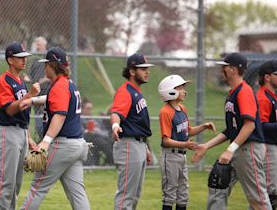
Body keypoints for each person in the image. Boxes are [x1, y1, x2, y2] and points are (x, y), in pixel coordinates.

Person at [192, 53, 271, 209]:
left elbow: (250, 125)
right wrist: (206, 146)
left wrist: (230, 150)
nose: (222, 70)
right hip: (240, 148)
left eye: (225, 67)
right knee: (219, 185)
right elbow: (232, 130)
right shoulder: (233, 92)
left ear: (234, 70)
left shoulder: (244, 91)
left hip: (250, 149)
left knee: (257, 198)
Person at [20, 47, 90, 210]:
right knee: (77, 193)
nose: (45, 68)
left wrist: (45, 142)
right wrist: (33, 101)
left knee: (37, 188)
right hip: (77, 144)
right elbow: (54, 99)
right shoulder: (67, 84)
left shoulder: (59, 87)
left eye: (46, 65)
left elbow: (60, 115)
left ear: (53, 65)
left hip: (62, 145)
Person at [0, 42, 39, 210]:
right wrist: (30, 95)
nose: (24, 60)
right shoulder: (3, 81)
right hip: (8, 132)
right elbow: (10, 110)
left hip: (21, 132)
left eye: (25, 57)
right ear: (10, 60)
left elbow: (22, 113)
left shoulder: (20, 81)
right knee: (6, 183)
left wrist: (29, 138)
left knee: (16, 185)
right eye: (20, 58)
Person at [158, 74, 216, 210]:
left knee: (183, 194)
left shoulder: (182, 108)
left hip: (181, 156)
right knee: (170, 193)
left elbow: (188, 130)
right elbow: (165, 140)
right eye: (180, 88)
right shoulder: (165, 112)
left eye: (183, 87)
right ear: (170, 91)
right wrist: (185, 144)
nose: (184, 91)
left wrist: (204, 126)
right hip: (170, 156)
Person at [110, 53, 154, 210]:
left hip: (138, 145)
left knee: (135, 194)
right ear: (132, 71)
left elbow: (136, 123)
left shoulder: (136, 91)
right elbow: (116, 113)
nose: (147, 72)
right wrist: (115, 126)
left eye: (147, 68)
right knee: (126, 195)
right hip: (128, 145)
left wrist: (146, 147)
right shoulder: (126, 91)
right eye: (142, 69)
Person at [256, 60, 277, 209]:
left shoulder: (272, 96)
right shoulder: (263, 98)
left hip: (273, 146)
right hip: (268, 148)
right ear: (267, 77)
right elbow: (260, 126)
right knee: (271, 190)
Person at [25, 37, 50, 137]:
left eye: (39, 44)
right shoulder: (35, 59)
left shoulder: (48, 57)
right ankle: (40, 135)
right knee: (38, 117)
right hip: (36, 92)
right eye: (36, 44)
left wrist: (44, 80)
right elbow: (32, 76)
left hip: (46, 91)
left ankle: (46, 135)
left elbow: (52, 75)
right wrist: (28, 79)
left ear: (44, 45)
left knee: (45, 115)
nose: (37, 46)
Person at [81, 98, 113, 166]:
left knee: (112, 140)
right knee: (101, 141)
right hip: (91, 138)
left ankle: (109, 162)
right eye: (88, 108)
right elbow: (81, 132)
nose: (90, 111)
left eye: (91, 108)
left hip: (104, 137)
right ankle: (113, 161)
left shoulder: (95, 119)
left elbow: (105, 130)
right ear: (82, 109)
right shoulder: (80, 119)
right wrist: (88, 131)